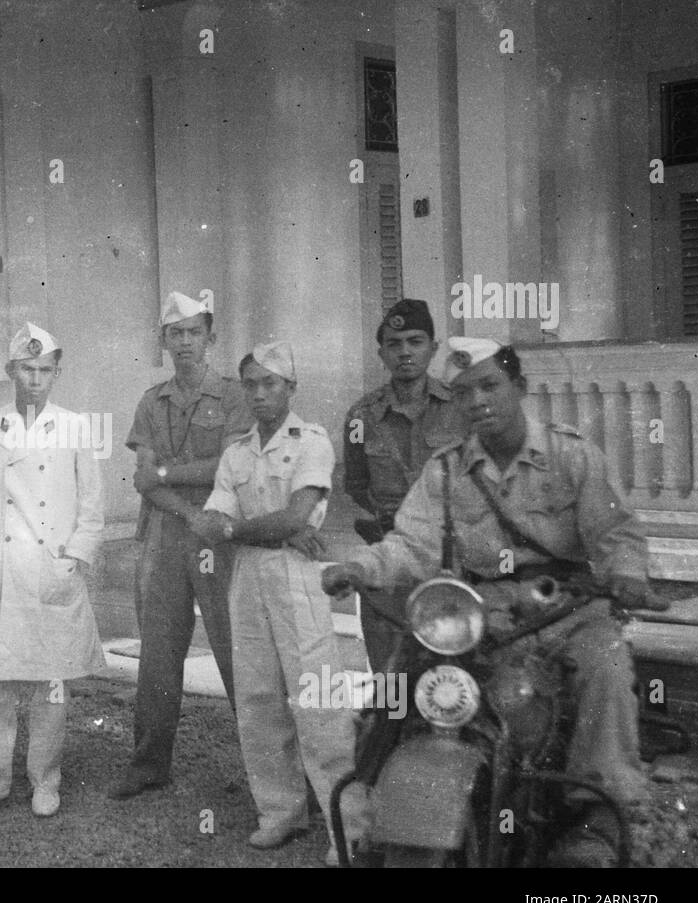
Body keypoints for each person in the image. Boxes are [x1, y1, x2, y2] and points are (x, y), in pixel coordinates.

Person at [322, 337, 666, 865]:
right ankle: (373, 804)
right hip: (480, 612)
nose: (477, 400)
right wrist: (359, 567)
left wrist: (625, 575)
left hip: (567, 606)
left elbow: (616, 532)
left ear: (519, 388)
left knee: (606, 667)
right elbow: (409, 543)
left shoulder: (572, 455)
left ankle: (595, 817)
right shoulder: (444, 470)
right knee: (399, 679)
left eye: (489, 385)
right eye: (463, 393)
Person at [195, 341, 369, 863]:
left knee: (317, 702)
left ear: (290, 388)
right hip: (247, 578)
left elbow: (295, 518)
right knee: (257, 699)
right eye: (250, 384)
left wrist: (248, 529)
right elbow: (208, 524)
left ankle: (348, 829)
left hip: (296, 579)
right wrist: (267, 530)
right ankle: (281, 813)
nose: (259, 394)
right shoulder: (236, 452)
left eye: (270, 383)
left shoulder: (312, 442)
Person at [0, 322, 104, 821]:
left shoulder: (75, 426)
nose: (36, 379)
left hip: (52, 571)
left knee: (50, 684)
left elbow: (92, 504)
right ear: (10, 371)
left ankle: (46, 780)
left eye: (45, 370)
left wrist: (74, 560)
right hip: (6, 570)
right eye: (27, 369)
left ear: (56, 372)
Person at [108, 291, 251, 800]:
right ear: (164, 341)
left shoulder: (234, 397)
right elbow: (142, 481)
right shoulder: (153, 401)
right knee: (159, 653)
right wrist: (187, 506)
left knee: (237, 648)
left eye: (194, 332)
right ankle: (149, 763)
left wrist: (167, 471)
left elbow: (227, 469)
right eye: (176, 333)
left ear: (210, 339)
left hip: (221, 533)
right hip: (170, 532)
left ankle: (266, 770)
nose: (185, 342)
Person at [342, 298, 464, 670]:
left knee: (453, 669)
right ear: (381, 353)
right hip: (388, 560)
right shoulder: (362, 417)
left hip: (452, 559)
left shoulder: (461, 408)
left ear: (433, 348)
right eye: (394, 344)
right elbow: (356, 483)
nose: (405, 352)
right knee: (389, 671)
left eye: (415, 341)